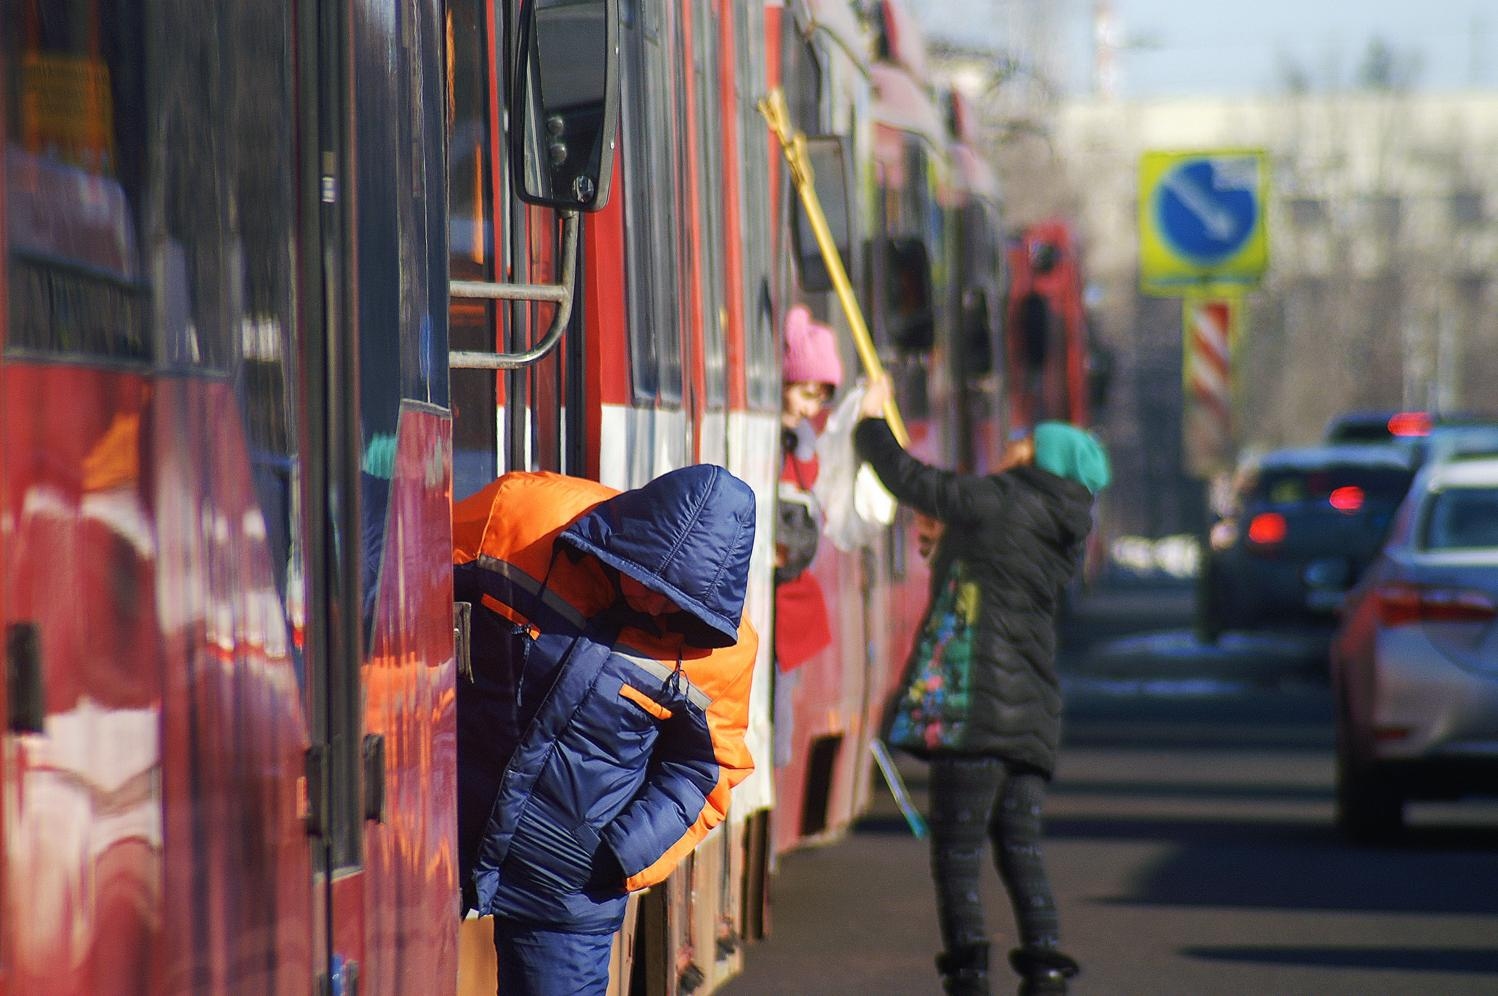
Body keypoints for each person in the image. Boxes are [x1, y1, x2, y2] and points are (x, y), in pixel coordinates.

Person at [452, 464, 759, 995]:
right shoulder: (519, 516)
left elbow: (708, 769)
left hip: (569, 887)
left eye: (676, 602)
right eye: (646, 579)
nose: (654, 603)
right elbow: (396, 582)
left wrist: (621, 855)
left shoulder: (724, 652)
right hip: (443, 833)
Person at [854, 375, 1110, 996]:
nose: (1014, 443)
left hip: (974, 711)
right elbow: (984, 555)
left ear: (1038, 457)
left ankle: (969, 972)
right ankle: (1045, 966)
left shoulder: (999, 499)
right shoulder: (1055, 526)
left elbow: (912, 479)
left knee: (957, 853)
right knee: (1020, 846)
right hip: (1031, 717)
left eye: (1025, 441)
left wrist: (868, 422)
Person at [773, 304, 843, 766]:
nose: (807, 407)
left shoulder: (804, 443)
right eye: (802, 391)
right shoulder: (786, 442)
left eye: (817, 398)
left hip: (788, 585)